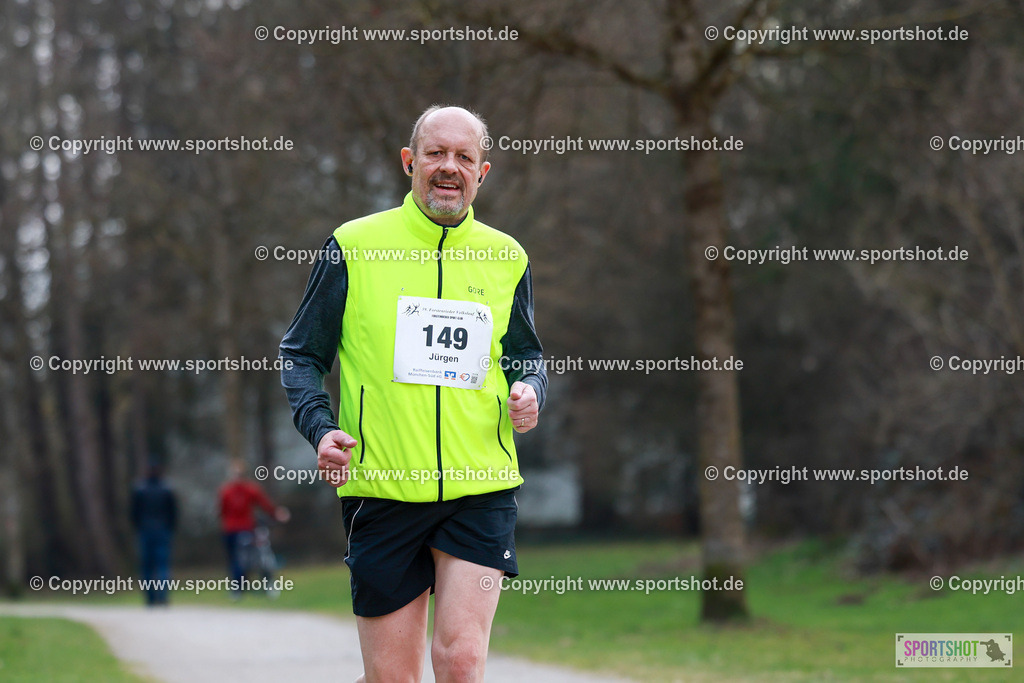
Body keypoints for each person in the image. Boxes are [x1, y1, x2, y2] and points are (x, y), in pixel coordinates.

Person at [280, 105, 547, 682]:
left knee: (461, 661)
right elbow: (301, 354)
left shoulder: (508, 257)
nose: (449, 168)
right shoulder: (353, 246)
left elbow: (526, 354)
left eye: (463, 157)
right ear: (409, 162)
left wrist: (529, 390)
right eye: (435, 154)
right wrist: (321, 429)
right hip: (383, 489)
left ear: (483, 172)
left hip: (481, 487)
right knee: (393, 679)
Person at [218, 459, 290, 596]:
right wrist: (276, 513)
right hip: (235, 529)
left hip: (239, 529)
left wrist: (275, 513)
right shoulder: (232, 491)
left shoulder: (232, 490)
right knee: (240, 559)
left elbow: (264, 504)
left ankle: (238, 588)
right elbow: (264, 504)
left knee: (240, 559)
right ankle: (239, 587)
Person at [131, 462, 177, 607]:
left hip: (146, 530)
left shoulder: (140, 489)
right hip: (162, 530)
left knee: (147, 566)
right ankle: (162, 596)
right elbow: (173, 512)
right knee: (162, 565)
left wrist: (138, 527)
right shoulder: (166, 489)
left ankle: (150, 598)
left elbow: (133, 513)